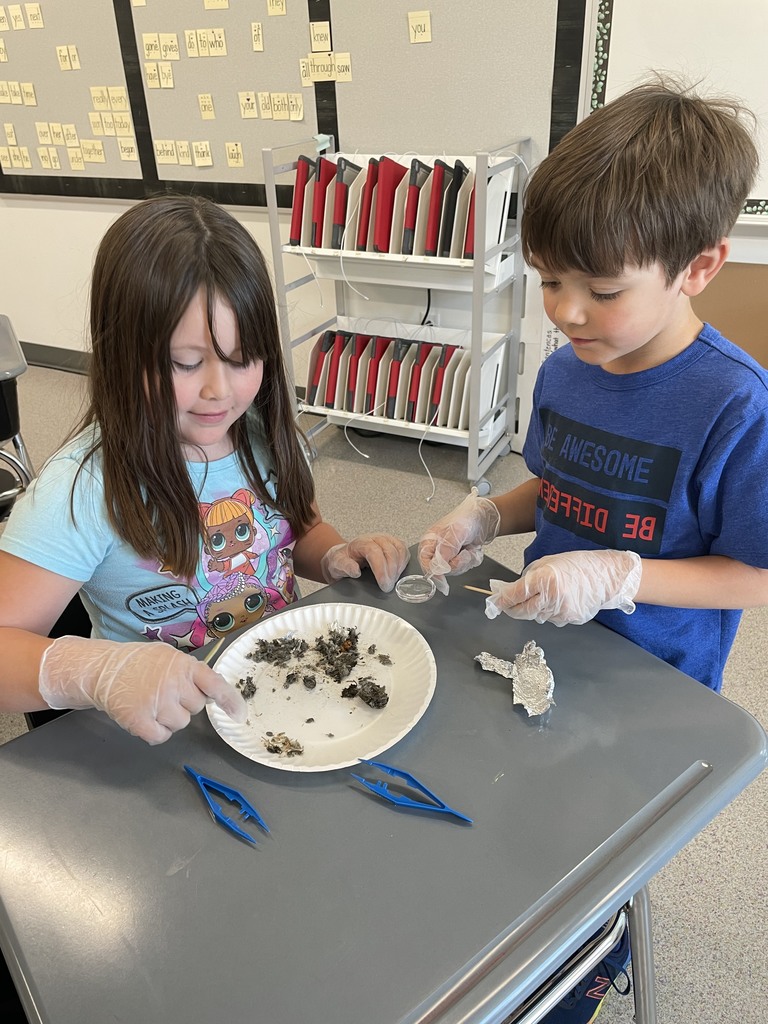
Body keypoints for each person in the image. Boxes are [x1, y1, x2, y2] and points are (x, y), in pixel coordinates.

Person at [419, 79, 768, 1022]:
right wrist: (488, 517)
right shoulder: (575, 368)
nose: (565, 314)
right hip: (546, 643)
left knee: (584, 850)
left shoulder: (736, 405)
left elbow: (755, 573)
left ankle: (595, 953)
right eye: (548, 282)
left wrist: (622, 576)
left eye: (602, 290)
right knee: (497, 808)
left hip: (650, 683)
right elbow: (558, 479)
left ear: (698, 267)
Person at [0, 194, 409, 746]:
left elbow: (299, 529)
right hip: (169, 735)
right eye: (185, 363)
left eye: (243, 359)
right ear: (121, 352)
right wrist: (98, 672)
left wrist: (335, 555)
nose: (220, 390)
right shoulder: (84, 489)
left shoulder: (261, 434)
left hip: (281, 698)